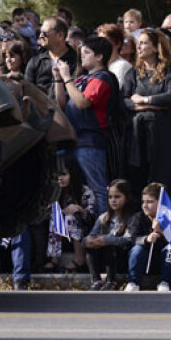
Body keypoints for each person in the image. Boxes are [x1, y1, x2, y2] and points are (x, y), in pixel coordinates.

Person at [55, 37, 120, 215]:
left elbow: (83, 102)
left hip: (91, 141)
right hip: (72, 140)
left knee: (97, 186)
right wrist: (59, 80)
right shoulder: (82, 78)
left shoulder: (104, 77)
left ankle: (101, 230)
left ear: (99, 56)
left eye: (86, 53)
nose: (81, 57)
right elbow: (62, 103)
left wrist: (67, 78)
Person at [123, 29, 171, 196]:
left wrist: (145, 100)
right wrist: (148, 106)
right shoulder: (134, 73)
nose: (139, 47)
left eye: (143, 43)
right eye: (138, 43)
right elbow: (125, 100)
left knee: (162, 179)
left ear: (155, 47)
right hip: (139, 133)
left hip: (162, 134)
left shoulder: (170, 71)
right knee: (140, 177)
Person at [44, 157, 96, 274]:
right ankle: (54, 258)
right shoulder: (54, 192)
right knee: (55, 215)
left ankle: (80, 259)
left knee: (70, 217)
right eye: (57, 175)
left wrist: (79, 209)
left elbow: (92, 215)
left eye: (64, 174)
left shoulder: (84, 191)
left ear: (72, 174)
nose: (60, 178)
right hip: (63, 231)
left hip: (83, 228)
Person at [126, 182, 171, 292]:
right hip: (145, 260)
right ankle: (133, 282)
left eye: (150, 202)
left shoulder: (170, 218)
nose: (145, 205)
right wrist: (146, 239)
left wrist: (161, 231)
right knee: (137, 249)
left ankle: (165, 282)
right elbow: (132, 239)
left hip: (164, 261)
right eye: (143, 202)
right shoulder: (139, 217)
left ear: (160, 204)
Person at [85, 179, 136, 290]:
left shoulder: (132, 217)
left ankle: (111, 281)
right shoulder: (104, 217)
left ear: (127, 197)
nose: (113, 200)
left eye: (117, 197)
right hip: (105, 258)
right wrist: (89, 241)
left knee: (109, 246)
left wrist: (105, 240)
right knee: (91, 249)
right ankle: (96, 280)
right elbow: (91, 236)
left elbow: (128, 239)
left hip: (122, 256)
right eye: (110, 197)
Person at [25, 17, 78, 99]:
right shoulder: (35, 61)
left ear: (60, 35)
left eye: (44, 33)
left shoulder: (77, 60)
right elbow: (27, 90)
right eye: (40, 32)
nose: (40, 36)